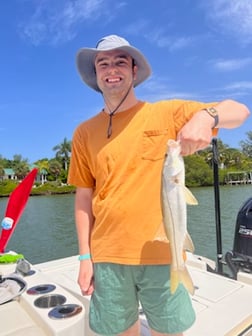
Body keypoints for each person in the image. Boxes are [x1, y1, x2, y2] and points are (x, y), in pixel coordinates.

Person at [68, 35, 250, 336]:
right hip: (107, 257)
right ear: (96, 74)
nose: (111, 69)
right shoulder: (83, 132)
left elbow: (240, 111)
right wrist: (85, 257)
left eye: (120, 61)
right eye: (103, 63)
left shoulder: (166, 113)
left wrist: (207, 117)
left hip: (163, 255)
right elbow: (83, 197)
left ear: (134, 70)